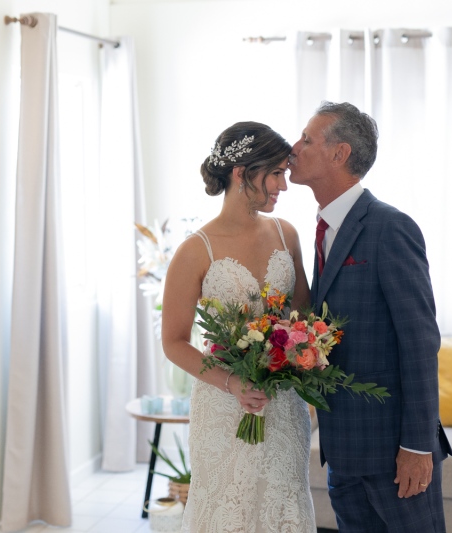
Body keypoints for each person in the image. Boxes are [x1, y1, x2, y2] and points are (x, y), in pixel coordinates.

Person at [288, 101, 452, 532]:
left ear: (339, 154)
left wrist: (417, 446)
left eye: (306, 139)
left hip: (394, 457)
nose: (294, 148)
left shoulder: (390, 227)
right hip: (343, 453)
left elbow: (420, 343)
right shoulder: (322, 229)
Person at [162, 121, 315, 532]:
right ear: (240, 172)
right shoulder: (195, 250)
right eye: (276, 173)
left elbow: (304, 318)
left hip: (283, 405)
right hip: (222, 407)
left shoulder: (288, 235)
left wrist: (297, 349)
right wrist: (233, 383)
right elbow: (174, 342)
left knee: (284, 507)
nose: (284, 185)